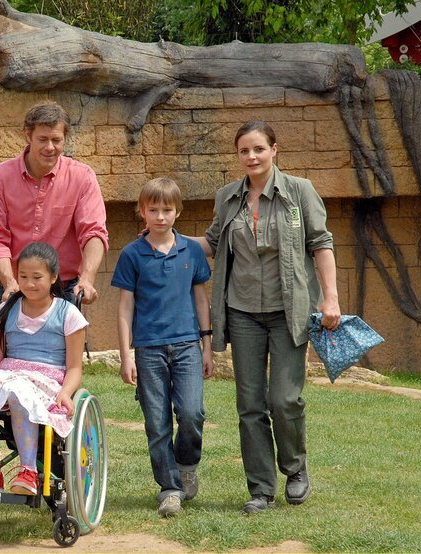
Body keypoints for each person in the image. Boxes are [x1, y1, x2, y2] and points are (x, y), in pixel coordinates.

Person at [191, 121, 341, 514]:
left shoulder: (299, 191)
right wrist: (166, 237)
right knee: (250, 404)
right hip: (241, 313)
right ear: (237, 155)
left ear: (275, 149)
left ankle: (294, 469)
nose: (251, 157)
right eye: (244, 150)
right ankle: (260, 488)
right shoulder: (227, 197)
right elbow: (211, 241)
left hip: (289, 311)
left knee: (284, 399)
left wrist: (331, 299)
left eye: (259, 148)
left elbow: (321, 243)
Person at [0, 242, 87, 496]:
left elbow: (75, 367)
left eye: (37, 277)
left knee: (16, 388)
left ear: (53, 277)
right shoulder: (7, 310)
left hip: (46, 379)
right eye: (23, 276)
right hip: (8, 373)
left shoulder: (68, 314)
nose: (29, 283)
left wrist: (66, 392)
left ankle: (29, 471)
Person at [112, 177, 213, 517]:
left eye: (166, 210)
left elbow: (200, 299)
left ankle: (187, 464)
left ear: (178, 212)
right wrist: (127, 355)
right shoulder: (132, 254)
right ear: (142, 212)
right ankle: (170, 488)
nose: (160, 216)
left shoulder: (192, 250)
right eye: (152, 210)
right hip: (149, 350)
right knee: (156, 422)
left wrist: (207, 345)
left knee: (191, 413)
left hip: (187, 346)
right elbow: (125, 308)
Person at [0, 100, 109, 305]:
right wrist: (9, 281)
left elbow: (93, 232)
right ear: (28, 136)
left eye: (56, 140)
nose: (50, 147)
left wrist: (87, 279)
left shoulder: (82, 177)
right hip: (15, 288)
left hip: (64, 289)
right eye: (43, 139)